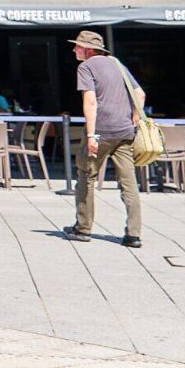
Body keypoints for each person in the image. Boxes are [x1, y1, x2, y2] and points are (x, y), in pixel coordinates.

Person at [64, 30, 143, 248]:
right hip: (125, 131)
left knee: (86, 176)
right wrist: (134, 118)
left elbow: (90, 101)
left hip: (101, 131)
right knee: (128, 181)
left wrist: (91, 135)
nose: (74, 49)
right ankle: (133, 234)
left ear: (88, 50)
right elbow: (140, 94)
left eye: (78, 46)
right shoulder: (117, 64)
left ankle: (83, 228)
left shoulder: (86, 67)